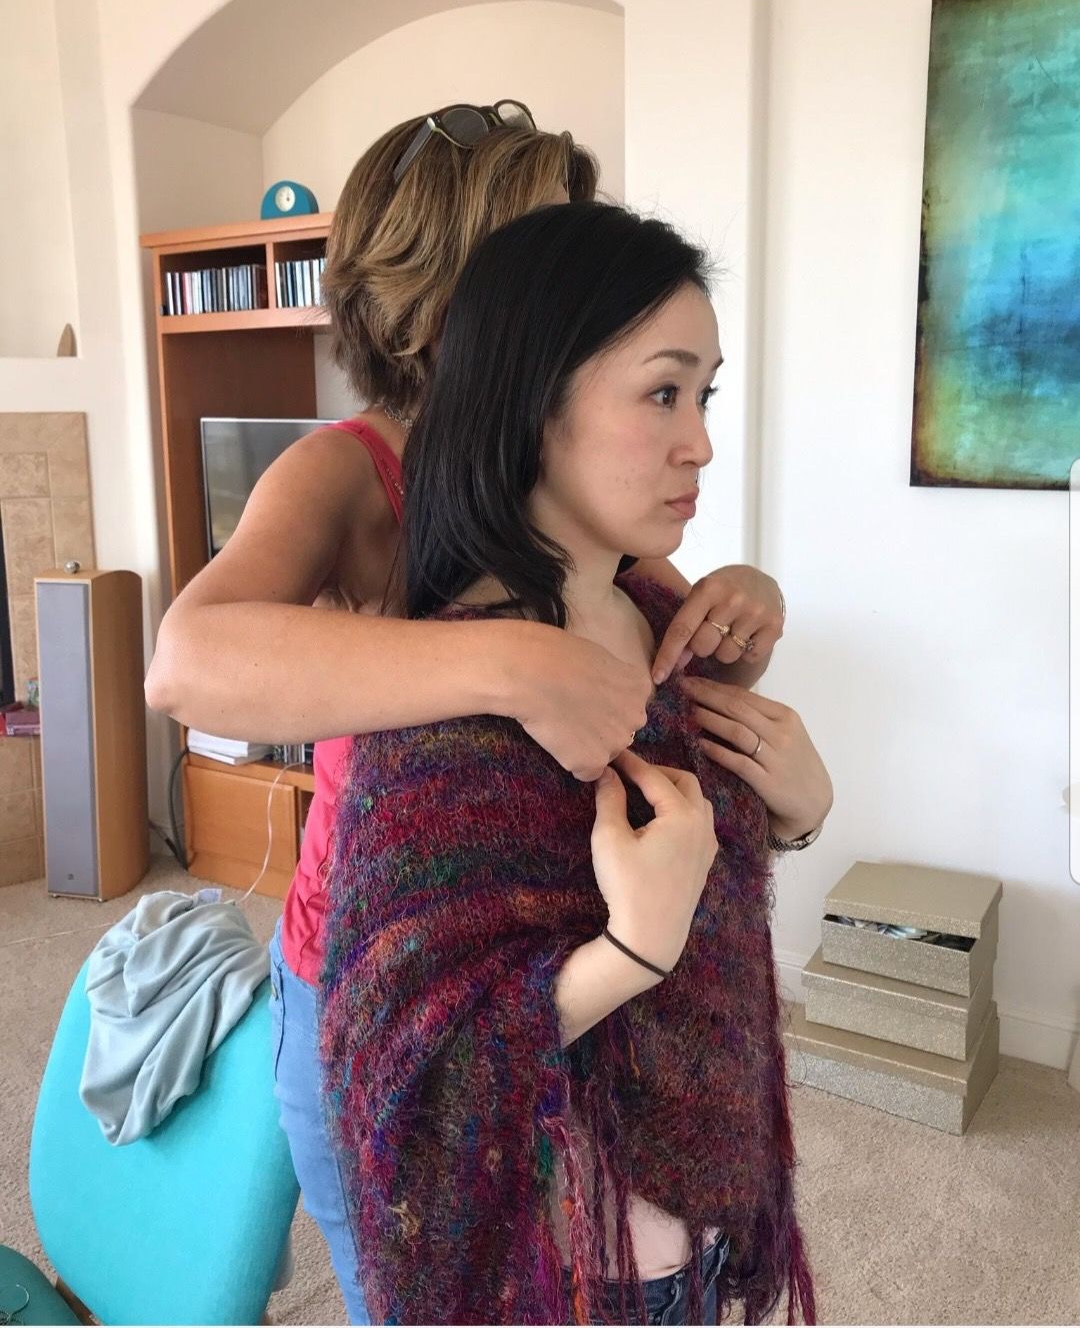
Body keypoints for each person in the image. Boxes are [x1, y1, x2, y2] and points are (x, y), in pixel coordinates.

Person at [144, 104, 811, 1324]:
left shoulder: (577, 493)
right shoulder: (354, 468)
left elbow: (649, 723)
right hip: (393, 953)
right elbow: (187, 659)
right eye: (553, 237)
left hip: (575, 999)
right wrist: (506, 662)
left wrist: (748, 618)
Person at [319, 200, 830, 1326]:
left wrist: (800, 814)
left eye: (707, 394)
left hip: (699, 1213)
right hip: (577, 1277)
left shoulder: (664, 614)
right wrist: (631, 948)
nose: (699, 439)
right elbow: (402, 1059)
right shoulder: (460, 694)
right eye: (663, 392)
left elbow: (702, 862)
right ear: (533, 403)